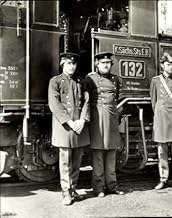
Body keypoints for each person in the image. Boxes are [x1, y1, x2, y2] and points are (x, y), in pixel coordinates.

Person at [48, 52, 90, 205]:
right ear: (62, 64)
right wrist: (68, 122)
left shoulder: (81, 81)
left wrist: (83, 120)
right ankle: (66, 191)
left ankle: (73, 189)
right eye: (68, 64)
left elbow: (87, 102)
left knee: (77, 161)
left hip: (79, 126)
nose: (71, 66)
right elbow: (54, 104)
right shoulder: (55, 81)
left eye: (74, 64)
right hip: (65, 127)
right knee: (65, 161)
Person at [84, 52, 124, 197]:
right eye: (103, 63)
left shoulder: (115, 79)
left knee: (112, 155)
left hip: (112, 120)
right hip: (97, 120)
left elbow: (118, 99)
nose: (106, 65)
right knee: (98, 157)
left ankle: (112, 186)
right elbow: (86, 101)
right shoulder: (90, 79)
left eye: (108, 63)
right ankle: (99, 188)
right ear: (97, 64)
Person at [150, 52, 172, 191]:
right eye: (168, 65)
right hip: (162, 117)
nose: (170, 67)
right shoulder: (156, 80)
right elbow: (154, 101)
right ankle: (163, 179)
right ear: (162, 65)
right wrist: (159, 115)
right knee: (162, 152)